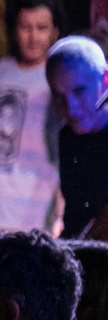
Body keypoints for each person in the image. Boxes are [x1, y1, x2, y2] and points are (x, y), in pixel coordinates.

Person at [0, 0, 63, 235]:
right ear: (14, 30)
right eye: (25, 27)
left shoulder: (58, 76)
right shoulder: (1, 70)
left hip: (31, 210)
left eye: (41, 28)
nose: (33, 36)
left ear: (54, 33)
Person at [49, 35, 108, 240]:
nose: (70, 107)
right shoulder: (67, 135)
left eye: (79, 91)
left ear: (106, 79)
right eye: (58, 95)